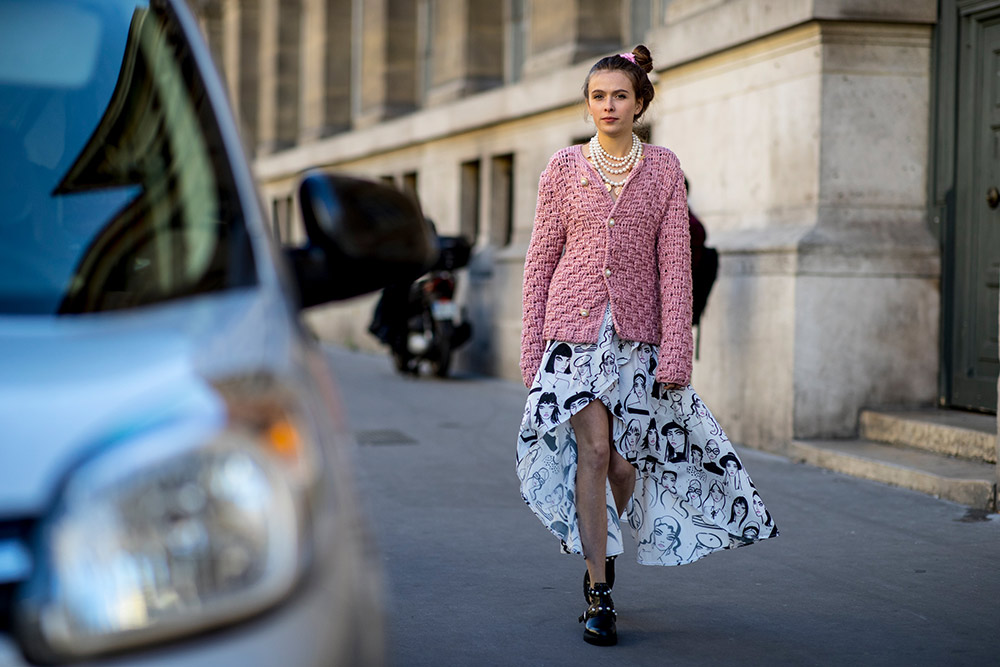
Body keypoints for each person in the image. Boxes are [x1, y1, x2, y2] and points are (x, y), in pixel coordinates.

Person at [514, 45, 779, 647]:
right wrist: (532, 348)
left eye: (620, 96)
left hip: (637, 337)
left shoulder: (662, 169)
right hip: (571, 335)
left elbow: (676, 267)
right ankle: (599, 590)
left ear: (641, 103)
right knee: (595, 452)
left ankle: (612, 546)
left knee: (623, 463)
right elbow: (540, 262)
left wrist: (677, 350)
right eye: (598, 96)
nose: (608, 105)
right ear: (588, 105)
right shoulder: (561, 169)